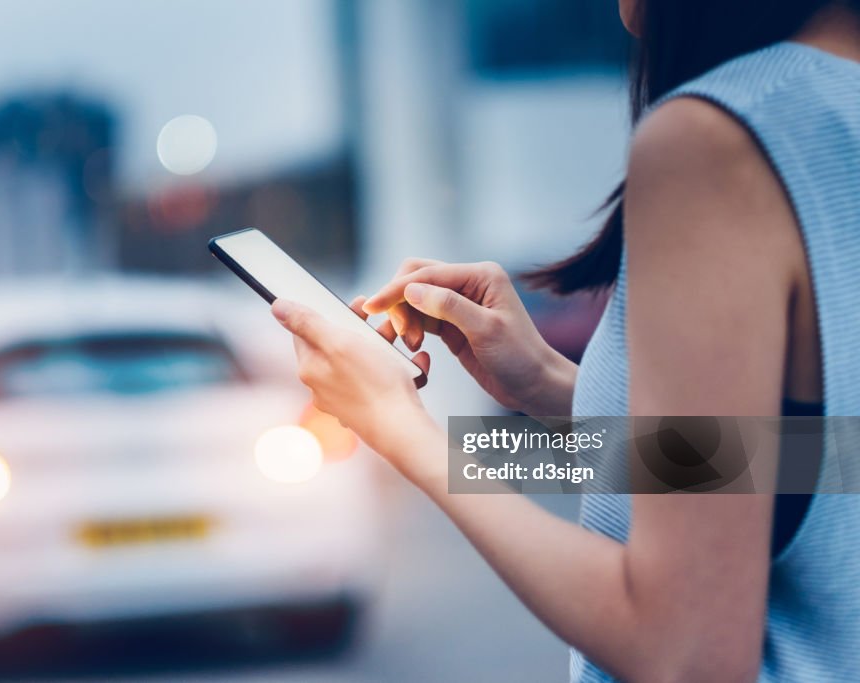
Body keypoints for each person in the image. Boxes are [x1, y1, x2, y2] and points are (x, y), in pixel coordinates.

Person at [271, 0, 860, 681]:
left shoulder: (719, 141)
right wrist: (545, 387)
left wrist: (403, 430)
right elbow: (814, 472)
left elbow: (686, 653)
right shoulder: (828, 104)